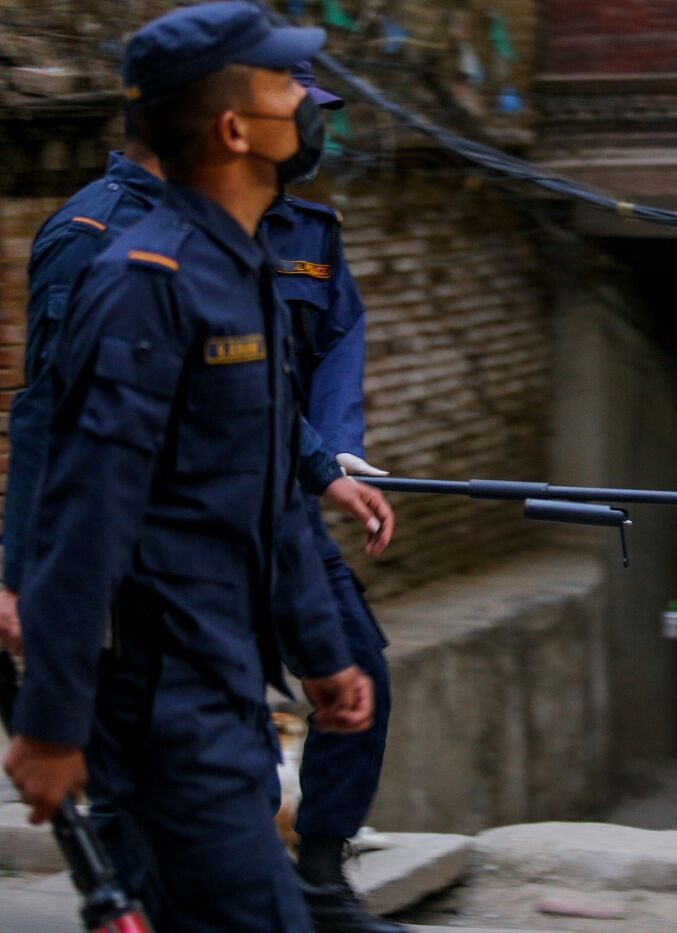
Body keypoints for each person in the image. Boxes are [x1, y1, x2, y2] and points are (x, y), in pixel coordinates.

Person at [1, 5, 376, 929]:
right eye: (288, 84)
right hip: (161, 685)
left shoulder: (241, 268)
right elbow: (87, 502)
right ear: (234, 127)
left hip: (224, 661)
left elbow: (270, 497)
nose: (308, 101)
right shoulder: (144, 280)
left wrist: (323, 653)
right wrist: (47, 722)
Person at [263, 62, 402, 933]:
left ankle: (318, 874)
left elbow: (335, 340)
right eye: (299, 112)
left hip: (286, 511)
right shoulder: (169, 235)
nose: (313, 131)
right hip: (188, 527)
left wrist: (333, 453)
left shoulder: (312, 232)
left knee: (359, 677)